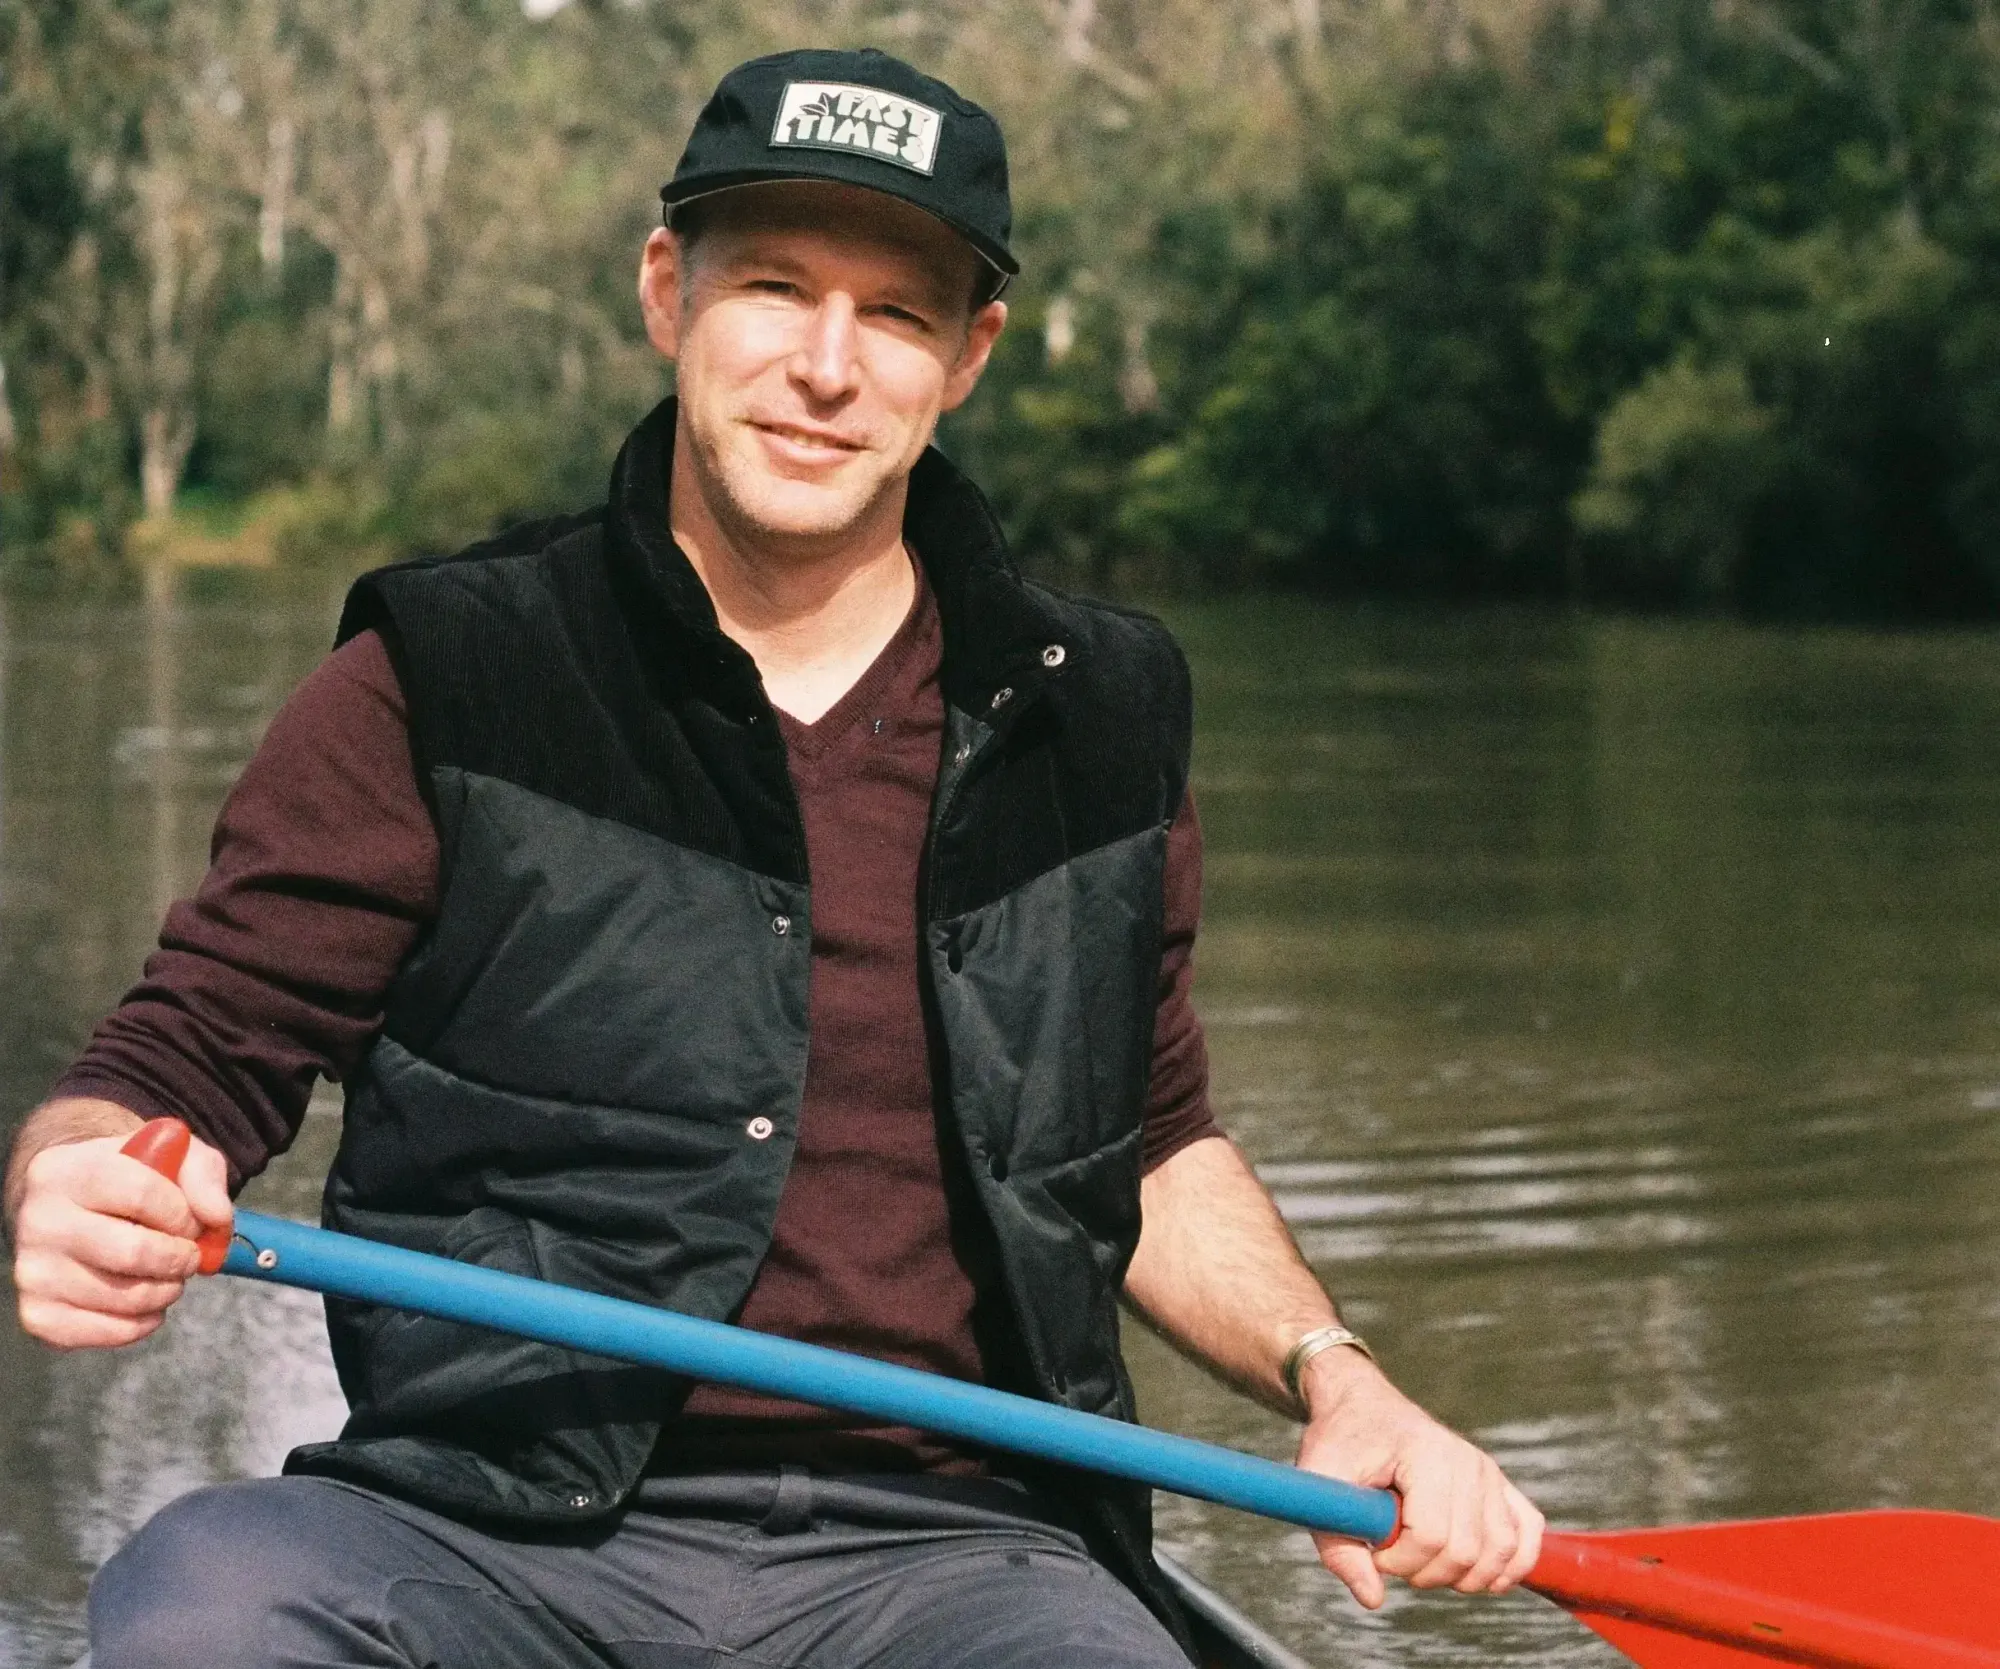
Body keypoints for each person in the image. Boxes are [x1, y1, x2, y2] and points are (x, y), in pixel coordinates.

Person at [5, 47, 1542, 1669]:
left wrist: (1339, 1373)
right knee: (204, 1602)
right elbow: (192, 1052)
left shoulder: (1103, 714)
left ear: (969, 355)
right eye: (775, 287)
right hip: (487, 1528)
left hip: (960, 1556)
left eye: (895, 313)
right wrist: (82, 1171)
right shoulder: (445, 673)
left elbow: (1147, 1146)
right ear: (668, 293)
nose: (827, 364)